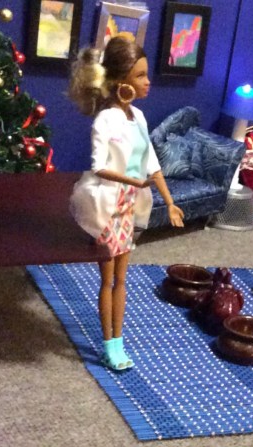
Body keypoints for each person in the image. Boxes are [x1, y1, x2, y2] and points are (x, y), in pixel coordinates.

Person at [67, 36, 184, 370]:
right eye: (140, 75)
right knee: (107, 280)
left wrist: (169, 202)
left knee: (122, 279)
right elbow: (99, 167)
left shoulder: (139, 118)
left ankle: (119, 341)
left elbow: (152, 164)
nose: (148, 82)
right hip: (108, 206)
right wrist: (132, 181)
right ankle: (109, 345)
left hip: (130, 207)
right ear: (121, 82)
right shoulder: (105, 120)